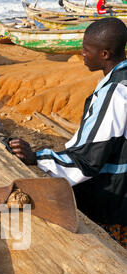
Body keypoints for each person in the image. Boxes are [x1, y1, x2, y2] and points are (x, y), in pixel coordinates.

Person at [9, 18, 127, 248]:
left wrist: (37, 157)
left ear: (104, 54)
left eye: (86, 50)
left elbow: (88, 159)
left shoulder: (114, 93)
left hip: (112, 201)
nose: (82, 54)